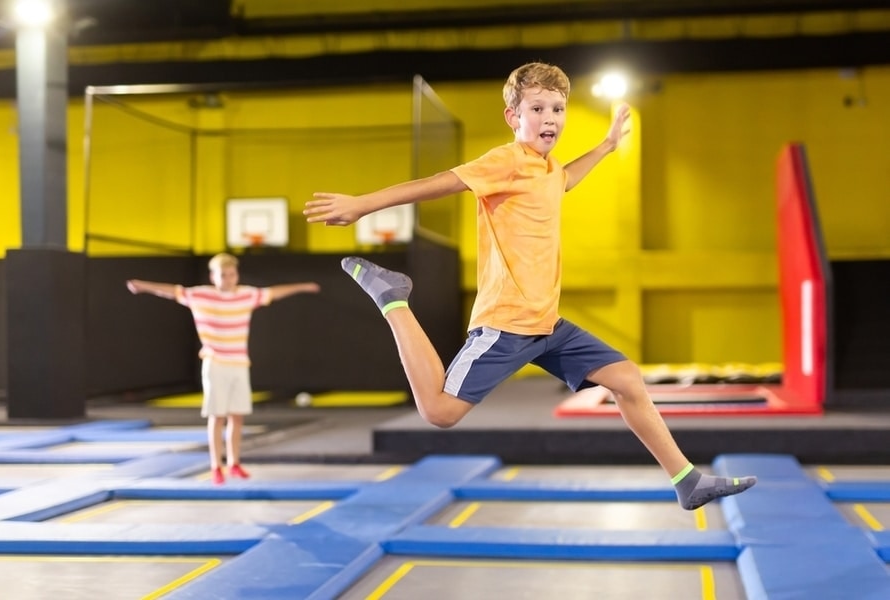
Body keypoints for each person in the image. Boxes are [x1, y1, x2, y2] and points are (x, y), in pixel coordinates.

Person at [304, 62, 756, 510]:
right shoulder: (505, 161)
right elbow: (439, 184)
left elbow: (565, 180)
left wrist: (606, 145)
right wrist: (364, 204)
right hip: (507, 321)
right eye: (537, 108)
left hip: (546, 324)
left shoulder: (546, 168)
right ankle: (393, 299)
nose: (550, 119)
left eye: (558, 109)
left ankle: (687, 481)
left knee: (627, 380)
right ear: (513, 116)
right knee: (439, 412)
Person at [127, 253, 320, 485]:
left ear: (236, 275)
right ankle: (216, 466)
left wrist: (303, 286)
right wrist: (143, 286)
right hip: (215, 363)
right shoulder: (201, 295)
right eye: (223, 275)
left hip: (239, 364)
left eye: (232, 275)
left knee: (237, 417)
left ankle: (234, 463)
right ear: (213, 277)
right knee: (217, 417)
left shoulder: (247, 294)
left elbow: (274, 292)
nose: (228, 279)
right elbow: (171, 291)